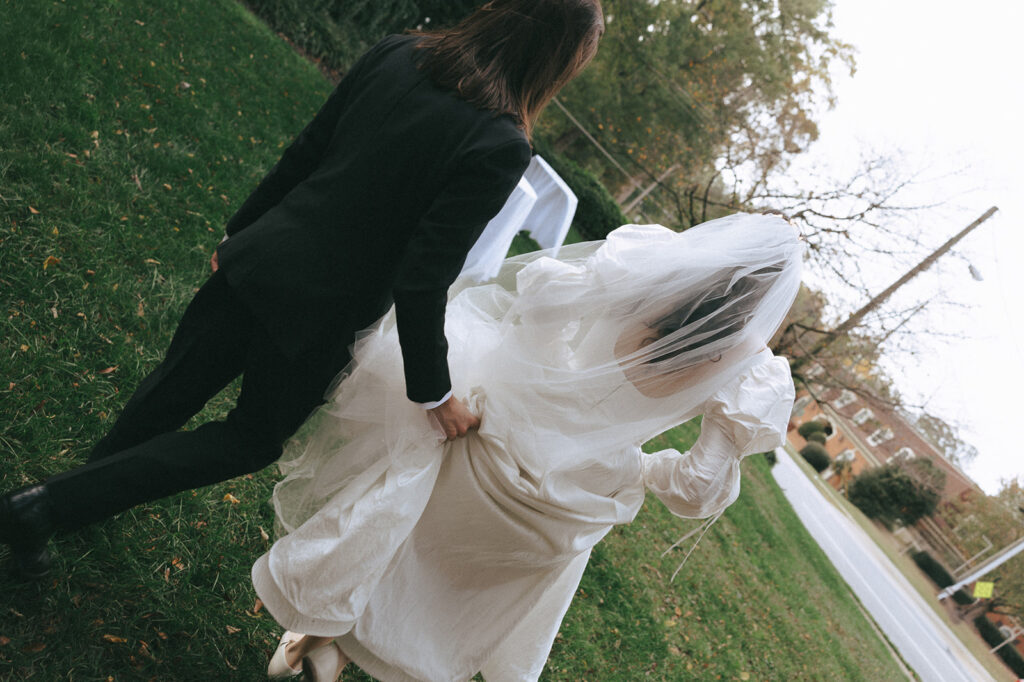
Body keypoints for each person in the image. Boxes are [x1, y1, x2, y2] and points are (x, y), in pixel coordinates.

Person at [0, 0, 606, 581]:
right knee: (249, 438)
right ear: (555, 62)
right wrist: (435, 393)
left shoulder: (401, 52)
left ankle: (63, 499)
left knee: (175, 385)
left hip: (264, 253)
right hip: (320, 317)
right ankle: (44, 508)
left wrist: (242, 231)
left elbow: (306, 151)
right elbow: (423, 276)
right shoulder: (501, 145)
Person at [253, 213, 804, 681]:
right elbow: (694, 490)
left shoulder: (649, 264)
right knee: (466, 579)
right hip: (565, 506)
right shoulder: (753, 373)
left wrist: (547, 381)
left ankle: (325, 633)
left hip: (499, 439)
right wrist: (637, 466)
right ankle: (343, 649)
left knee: (400, 515)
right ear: (770, 303)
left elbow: (540, 306)